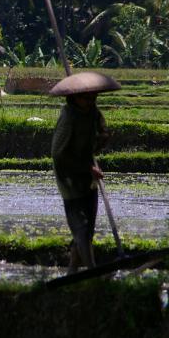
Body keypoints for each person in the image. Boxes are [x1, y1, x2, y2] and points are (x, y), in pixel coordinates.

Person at [49, 72, 121, 274]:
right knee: (80, 227)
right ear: (74, 98)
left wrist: (103, 139)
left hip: (88, 178)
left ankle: (72, 270)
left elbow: (99, 138)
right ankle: (92, 271)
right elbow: (58, 154)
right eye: (86, 98)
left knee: (87, 228)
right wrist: (87, 168)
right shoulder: (68, 117)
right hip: (69, 178)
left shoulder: (94, 114)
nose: (90, 101)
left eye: (93, 98)